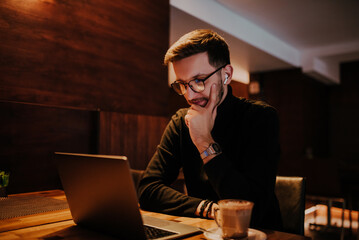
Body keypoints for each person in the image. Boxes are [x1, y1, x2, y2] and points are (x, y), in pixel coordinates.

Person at [138, 29, 282, 230]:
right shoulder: (181, 121)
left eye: (199, 80)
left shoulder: (260, 117)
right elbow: (147, 189)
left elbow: (252, 213)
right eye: (182, 84)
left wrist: (204, 142)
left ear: (226, 75)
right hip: (203, 230)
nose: (189, 95)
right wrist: (208, 208)